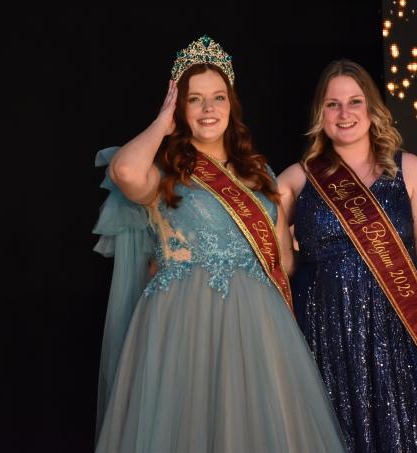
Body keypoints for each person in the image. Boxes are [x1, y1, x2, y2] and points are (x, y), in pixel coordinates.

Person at [92, 35, 345, 452]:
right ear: (180, 108)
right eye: (194, 100)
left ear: (232, 104)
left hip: (256, 326)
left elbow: (281, 261)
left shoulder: (260, 172)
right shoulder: (164, 171)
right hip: (181, 322)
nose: (208, 109)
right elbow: (123, 171)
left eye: (218, 98)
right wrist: (163, 122)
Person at [278, 59, 417, 452]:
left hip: (399, 332)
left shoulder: (410, 170)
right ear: (320, 113)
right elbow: (276, 261)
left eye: (354, 102)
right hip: (325, 333)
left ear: (372, 109)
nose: (344, 114)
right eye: (333, 104)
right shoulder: (296, 179)